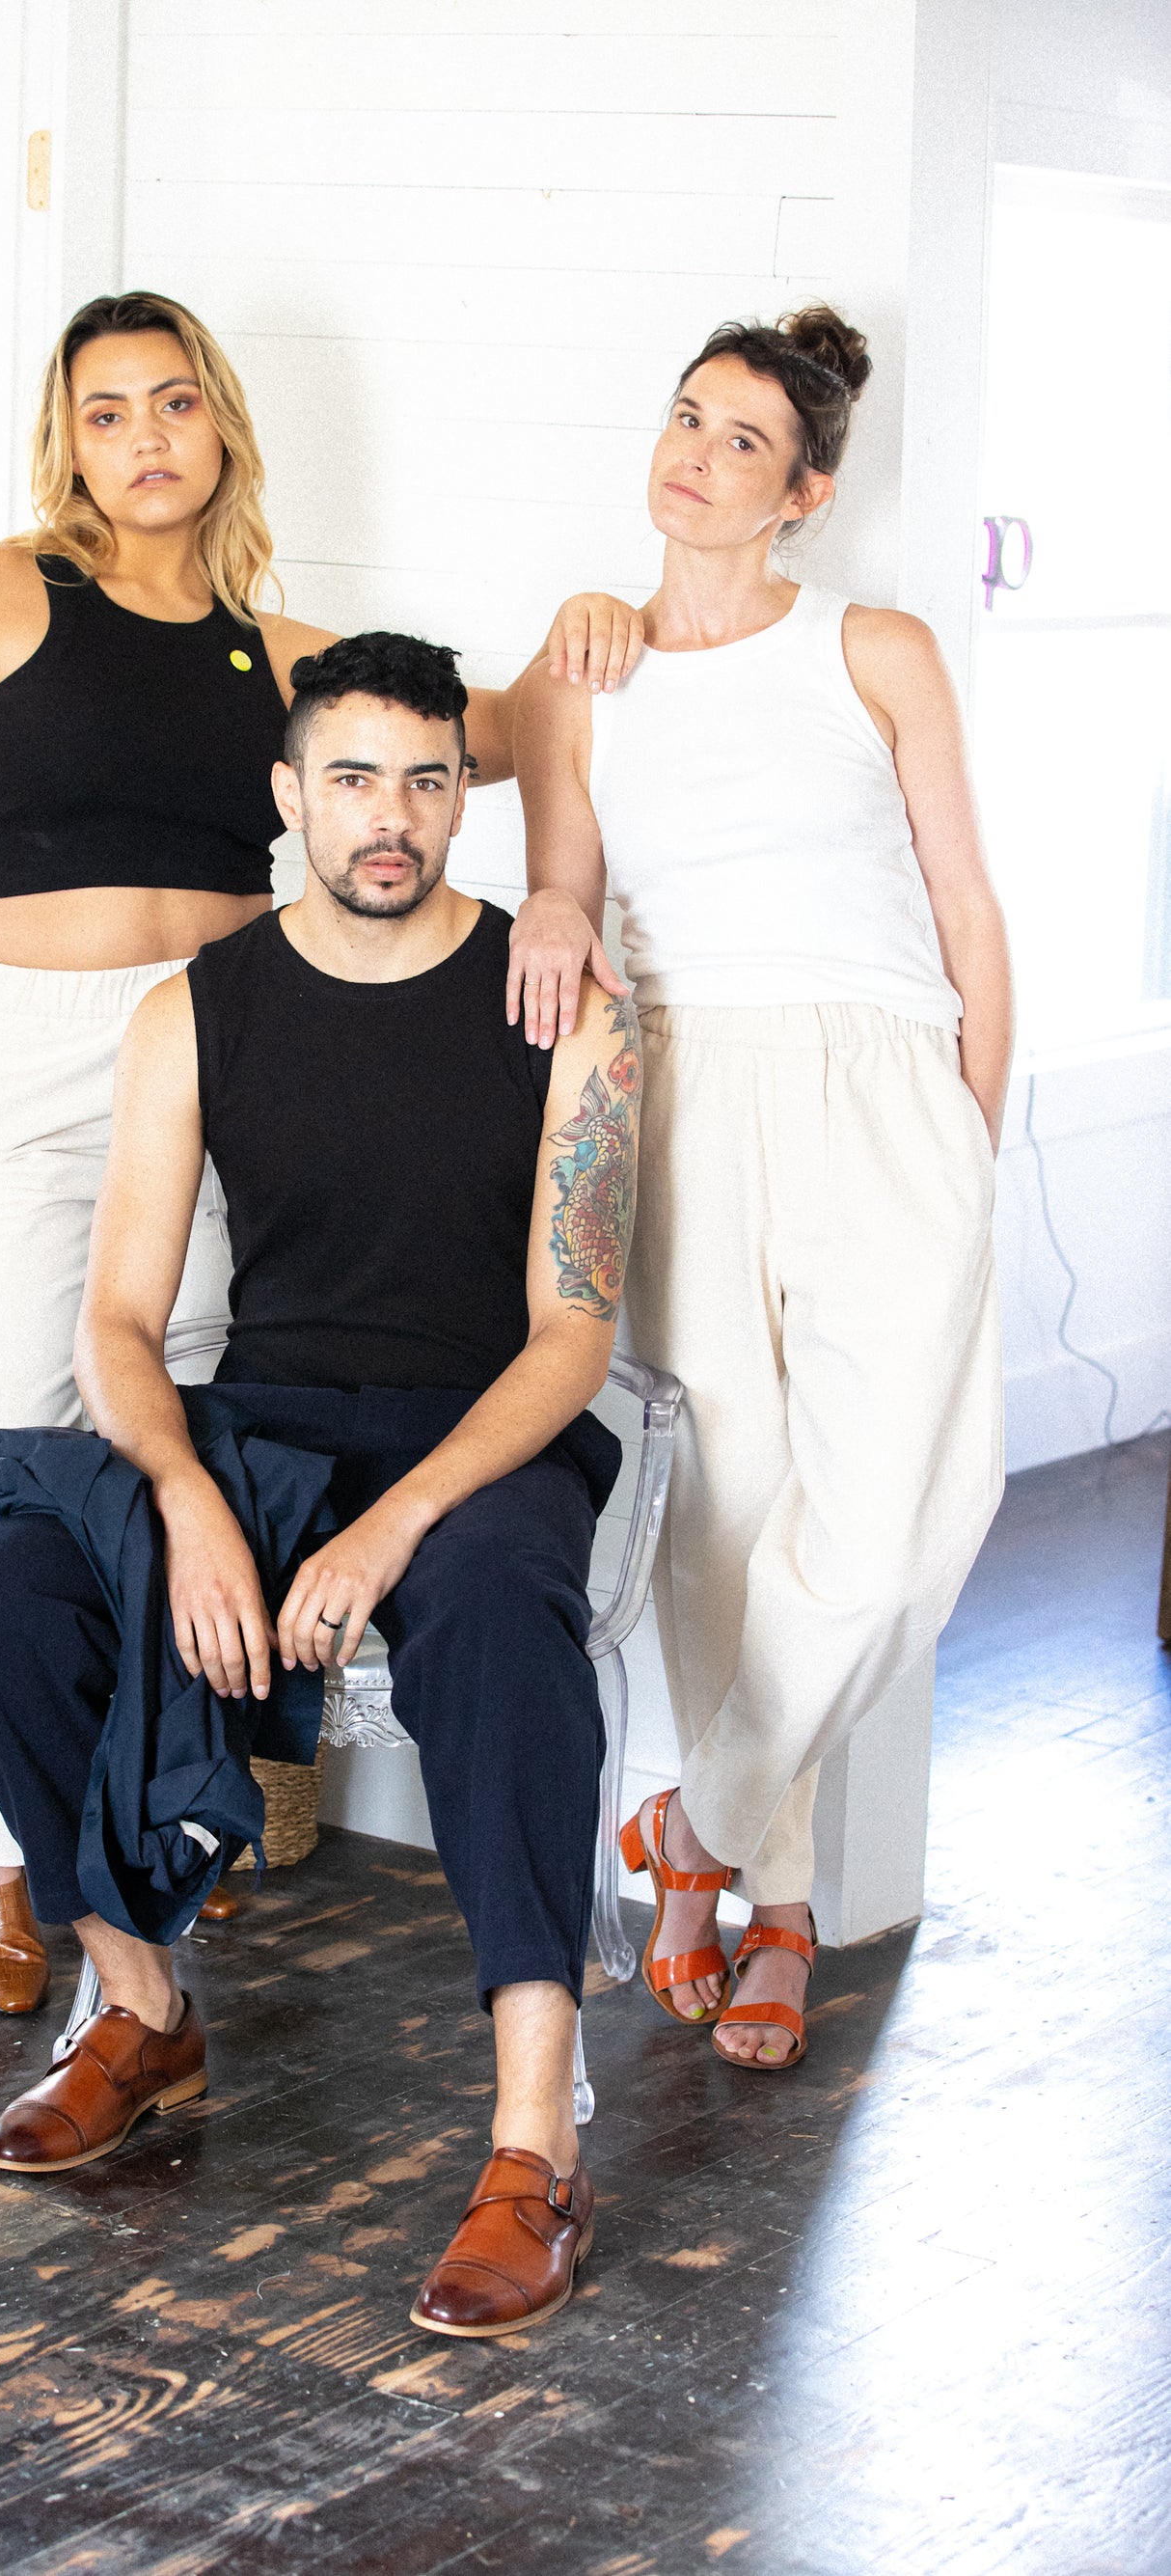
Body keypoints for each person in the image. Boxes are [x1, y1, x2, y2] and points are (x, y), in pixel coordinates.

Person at [0, 291, 641, 2014]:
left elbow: (532, 722)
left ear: (224, 426)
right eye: (106, 413)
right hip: (29, 1058)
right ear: (67, 438)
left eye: (175, 404)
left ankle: (158, 1810)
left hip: (235, 1039)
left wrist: (560, 868)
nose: (145, 439)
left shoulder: (282, 649)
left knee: (171, 1459)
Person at [0, 632, 641, 2339]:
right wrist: (187, 1496)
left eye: (433, 779)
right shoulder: (195, 1010)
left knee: (502, 1616)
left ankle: (534, 2146)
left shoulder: (564, 1007)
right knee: (1, 1586)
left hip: (482, 1432)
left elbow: (571, 1334)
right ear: (291, 796)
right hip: (267, 1426)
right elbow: (121, 1320)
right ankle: (143, 2005)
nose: (396, 819)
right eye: (357, 780)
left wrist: (396, 1520)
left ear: (469, 795)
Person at [511, 306, 1009, 2070]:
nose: (696, 455)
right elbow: (555, 872)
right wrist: (554, 908)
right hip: (685, 1081)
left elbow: (966, 910)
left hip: (885, 1081)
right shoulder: (583, 666)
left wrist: (973, 1137)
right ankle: (765, 1905)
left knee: (887, 1529)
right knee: (728, 1516)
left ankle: (697, 1826)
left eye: (741, 442)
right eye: (685, 417)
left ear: (799, 495)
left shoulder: (874, 648)